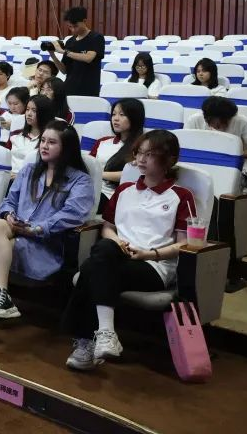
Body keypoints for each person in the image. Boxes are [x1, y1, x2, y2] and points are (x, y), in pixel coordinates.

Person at [0, 120, 95, 342]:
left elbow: (72, 215)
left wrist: (37, 229)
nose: (44, 146)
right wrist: (8, 215)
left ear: (67, 148)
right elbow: (8, 201)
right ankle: (0, 298)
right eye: (43, 140)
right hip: (14, 235)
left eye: (52, 142)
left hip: (44, 247)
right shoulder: (29, 170)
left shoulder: (80, 180)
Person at [62, 130, 194, 370]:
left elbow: (184, 244)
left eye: (150, 154)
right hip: (118, 256)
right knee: (104, 251)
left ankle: (87, 342)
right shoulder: (124, 190)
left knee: (92, 268)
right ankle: (104, 334)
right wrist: (117, 242)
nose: (141, 159)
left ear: (169, 159)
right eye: (139, 153)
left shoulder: (181, 196)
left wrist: (149, 254)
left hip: (154, 265)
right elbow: (108, 228)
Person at [185, 97, 247, 184]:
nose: (223, 125)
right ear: (206, 118)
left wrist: (236, 155)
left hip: (231, 167)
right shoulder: (194, 120)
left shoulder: (241, 121)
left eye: (226, 120)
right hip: (200, 165)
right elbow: (184, 147)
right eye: (217, 123)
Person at [90, 99, 145, 207]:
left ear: (135, 118)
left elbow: (134, 174)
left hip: (111, 195)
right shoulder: (102, 141)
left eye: (122, 114)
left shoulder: (142, 147)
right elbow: (89, 165)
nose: (115, 118)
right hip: (90, 187)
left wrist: (99, 174)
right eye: (114, 114)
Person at [50, 6, 105, 97]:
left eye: (76, 26)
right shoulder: (70, 42)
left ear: (84, 21)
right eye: (70, 27)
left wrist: (64, 52)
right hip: (69, 88)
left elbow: (88, 58)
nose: (73, 30)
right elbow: (64, 70)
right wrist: (52, 54)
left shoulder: (96, 38)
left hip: (88, 90)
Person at [10, 95, 54, 175]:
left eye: (34, 110)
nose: (29, 114)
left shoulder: (49, 141)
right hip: (10, 177)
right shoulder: (15, 134)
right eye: (27, 109)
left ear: (44, 113)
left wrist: (21, 177)